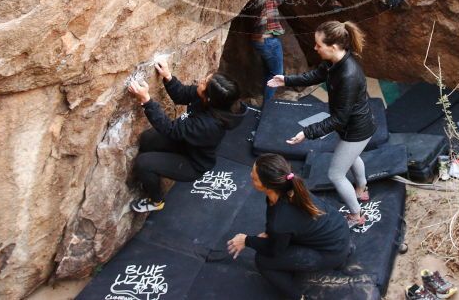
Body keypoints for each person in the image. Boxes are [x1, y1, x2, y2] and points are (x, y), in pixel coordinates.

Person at [267, 21, 375, 227]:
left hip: (356, 129)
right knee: (352, 157)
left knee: (335, 174)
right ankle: (362, 188)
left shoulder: (348, 75)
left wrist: (307, 133)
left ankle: (356, 216)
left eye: (318, 45)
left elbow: (338, 119)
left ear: (333, 47)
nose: (315, 48)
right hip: (353, 126)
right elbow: (315, 75)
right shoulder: (334, 62)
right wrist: (286, 80)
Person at [226, 153, 351, 300]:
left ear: (266, 185)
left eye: (254, 178)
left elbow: (275, 251)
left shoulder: (281, 219)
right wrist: (270, 233)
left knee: (263, 261)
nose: (250, 175)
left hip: (332, 252)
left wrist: (246, 240)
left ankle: (298, 297)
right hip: (339, 234)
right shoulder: (292, 190)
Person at [127, 60, 244, 212]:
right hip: (186, 144)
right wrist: (168, 76)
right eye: (207, 78)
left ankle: (156, 201)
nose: (201, 81)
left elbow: (169, 129)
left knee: (143, 162)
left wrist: (146, 100)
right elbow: (182, 94)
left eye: (204, 83)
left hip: (192, 163)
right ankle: (153, 173)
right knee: (147, 139)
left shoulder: (208, 126)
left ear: (208, 98)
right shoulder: (210, 98)